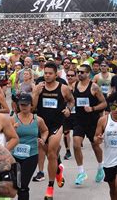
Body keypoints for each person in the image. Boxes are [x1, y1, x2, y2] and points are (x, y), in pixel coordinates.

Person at [33, 62, 75, 200]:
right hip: (42, 125)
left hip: (57, 124)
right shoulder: (39, 87)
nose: (47, 76)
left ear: (56, 74)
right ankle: (58, 168)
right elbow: (33, 108)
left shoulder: (63, 88)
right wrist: (35, 93)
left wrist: (69, 109)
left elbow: (71, 101)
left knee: (51, 153)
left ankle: (50, 187)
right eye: (45, 73)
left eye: (50, 73)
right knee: (47, 152)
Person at [72, 64, 107, 185]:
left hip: (92, 121)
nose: (79, 74)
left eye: (82, 72)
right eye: (78, 72)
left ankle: (100, 168)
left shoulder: (94, 87)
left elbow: (104, 104)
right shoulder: (74, 85)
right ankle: (81, 172)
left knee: (95, 145)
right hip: (78, 120)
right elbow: (71, 101)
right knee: (76, 145)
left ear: (88, 73)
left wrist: (92, 108)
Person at [12, 93, 48, 200]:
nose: (23, 107)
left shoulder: (38, 120)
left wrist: (43, 139)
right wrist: (13, 129)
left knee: (23, 185)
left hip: (31, 155)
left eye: (26, 105)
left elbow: (45, 130)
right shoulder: (13, 119)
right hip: (15, 156)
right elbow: (6, 136)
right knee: (15, 184)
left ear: (31, 106)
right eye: (21, 105)